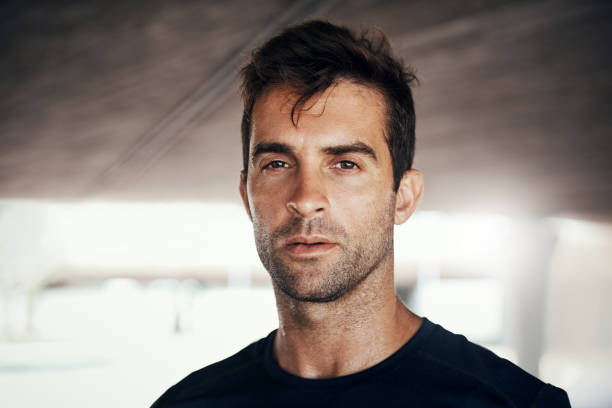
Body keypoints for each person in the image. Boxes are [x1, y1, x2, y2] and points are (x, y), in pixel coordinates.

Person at [151, 20, 570, 407]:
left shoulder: (514, 403)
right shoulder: (188, 404)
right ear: (247, 196)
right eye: (277, 164)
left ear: (403, 197)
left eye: (345, 164)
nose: (306, 198)